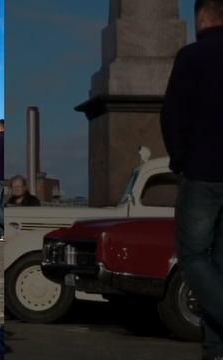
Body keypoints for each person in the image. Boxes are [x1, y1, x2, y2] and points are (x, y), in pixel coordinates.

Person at [161, 1, 223, 358]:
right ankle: (215, 349)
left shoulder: (192, 56)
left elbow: (173, 115)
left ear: (202, 16)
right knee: (220, 267)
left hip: (202, 173)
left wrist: (180, 160)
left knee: (194, 257)